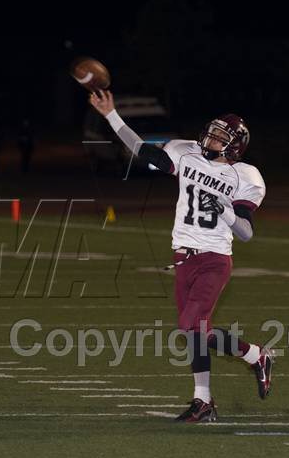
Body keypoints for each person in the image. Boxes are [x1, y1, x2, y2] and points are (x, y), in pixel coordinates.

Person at [89, 90, 274, 423]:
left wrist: (225, 211)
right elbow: (140, 148)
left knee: (190, 324)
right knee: (194, 331)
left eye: (220, 137)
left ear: (234, 146)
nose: (211, 139)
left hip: (215, 258)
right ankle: (208, 396)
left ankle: (251, 358)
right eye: (212, 133)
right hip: (183, 257)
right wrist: (111, 114)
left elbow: (246, 232)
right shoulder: (186, 153)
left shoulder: (244, 176)